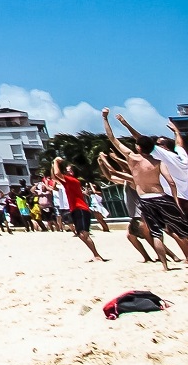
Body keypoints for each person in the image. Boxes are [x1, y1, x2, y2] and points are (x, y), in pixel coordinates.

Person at [103, 108, 188, 270]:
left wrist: (107, 119)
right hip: (164, 197)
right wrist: (177, 131)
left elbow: (113, 138)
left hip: (147, 199)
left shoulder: (136, 158)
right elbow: (171, 181)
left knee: (157, 233)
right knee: (181, 229)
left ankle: (165, 266)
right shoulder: (163, 161)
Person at [51, 158, 106, 261]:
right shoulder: (69, 181)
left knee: (83, 233)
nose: (66, 171)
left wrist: (55, 162)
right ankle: (95, 254)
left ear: (72, 172)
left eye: (68, 170)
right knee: (81, 233)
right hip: (77, 209)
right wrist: (53, 164)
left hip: (80, 209)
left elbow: (57, 174)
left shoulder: (72, 180)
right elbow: (54, 177)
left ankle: (97, 255)